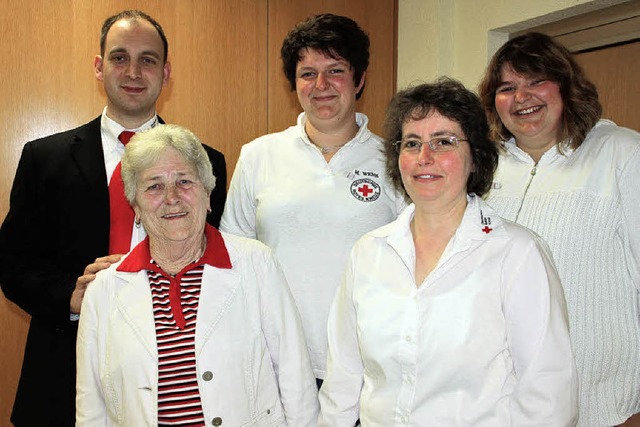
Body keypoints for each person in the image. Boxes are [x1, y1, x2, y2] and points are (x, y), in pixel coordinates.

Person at [0, 10, 226, 426]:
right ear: (99, 67)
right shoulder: (43, 158)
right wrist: (69, 296)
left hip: (179, 372)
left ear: (166, 71)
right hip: (62, 371)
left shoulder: (205, 162)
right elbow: (12, 264)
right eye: (120, 58)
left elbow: (216, 263)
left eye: (148, 59)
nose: (134, 71)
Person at [318, 78, 578, 426]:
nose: (425, 158)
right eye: (412, 143)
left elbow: (548, 397)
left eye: (444, 141)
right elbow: (343, 380)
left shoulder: (517, 254)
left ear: (475, 159)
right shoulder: (369, 253)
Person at [75, 124, 318, 426]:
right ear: (135, 206)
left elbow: (296, 379)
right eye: (153, 186)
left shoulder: (257, 263)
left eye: (184, 181)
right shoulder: (104, 290)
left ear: (207, 193)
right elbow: (91, 407)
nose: (171, 197)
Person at [220, 13, 405, 386]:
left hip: (367, 366)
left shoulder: (395, 161)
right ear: (294, 83)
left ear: (360, 79)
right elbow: (233, 260)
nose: (321, 85)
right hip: (275, 364)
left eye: (335, 70)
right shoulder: (258, 155)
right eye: (307, 73)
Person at [478, 32, 640, 426]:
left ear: (567, 86)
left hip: (602, 404)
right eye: (507, 87)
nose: (522, 97)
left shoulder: (620, 152)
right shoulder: (483, 168)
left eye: (536, 81)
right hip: (504, 402)